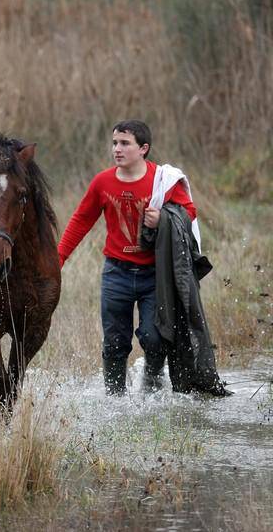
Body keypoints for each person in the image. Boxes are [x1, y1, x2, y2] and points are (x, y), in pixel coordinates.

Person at [57, 120, 198, 395]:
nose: (117, 149)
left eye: (124, 143)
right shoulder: (102, 182)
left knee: (154, 337)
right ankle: (115, 400)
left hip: (154, 276)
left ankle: (152, 389)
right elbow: (80, 221)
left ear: (143, 148)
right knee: (114, 342)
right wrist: (58, 258)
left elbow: (189, 212)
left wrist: (164, 220)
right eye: (114, 143)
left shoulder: (162, 181)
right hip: (116, 274)